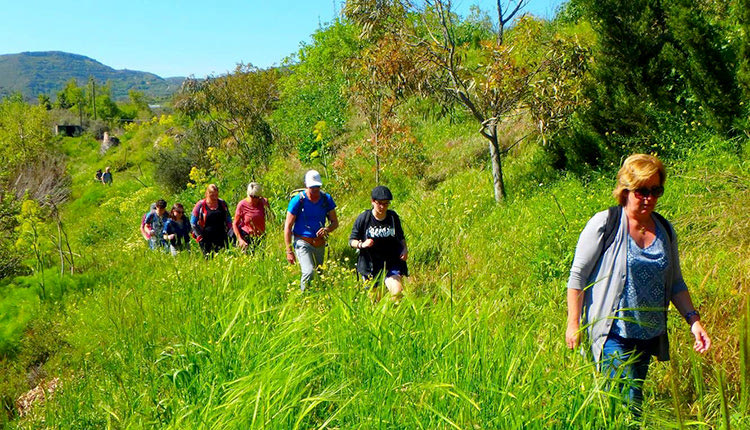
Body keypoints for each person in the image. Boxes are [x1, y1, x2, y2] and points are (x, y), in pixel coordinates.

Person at [566, 154, 710, 416]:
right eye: (642, 191)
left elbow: (676, 282)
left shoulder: (664, 230)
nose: (649, 198)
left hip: (647, 335)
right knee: (629, 401)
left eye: (656, 191)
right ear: (625, 191)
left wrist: (694, 321)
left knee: (628, 400)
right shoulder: (605, 223)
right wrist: (573, 324)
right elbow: (577, 277)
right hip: (613, 331)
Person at [349, 185, 408, 299]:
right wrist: (362, 244)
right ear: (372, 201)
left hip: (391, 262)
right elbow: (351, 241)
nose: (382, 206)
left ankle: (396, 315)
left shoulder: (392, 217)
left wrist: (404, 249)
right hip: (370, 266)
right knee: (376, 300)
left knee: (397, 292)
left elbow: (400, 236)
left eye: (386, 203)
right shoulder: (364, 218)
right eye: (379, 203)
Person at [284, 170, 339, 291]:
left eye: (317, 187)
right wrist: (289, 251)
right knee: (309, 272)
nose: (314, 190)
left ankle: (318, 297)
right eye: (312, 187)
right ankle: (303, 297)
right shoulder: (298, 201)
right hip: (302, 241)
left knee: (319, 274)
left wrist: (326, 229)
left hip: (319, 242)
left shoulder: (326, 199)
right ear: (306, 185)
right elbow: (288, 226)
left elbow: (335, 223)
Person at [191, 184, 232, 255]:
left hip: (221, 237)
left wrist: (230, 232)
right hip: (206, 238)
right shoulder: (200, 205)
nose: (214, 197)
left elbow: (228, 219)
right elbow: (193, 223)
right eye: (212, 195)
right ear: (207, 194)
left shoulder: (222, 203)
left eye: (216, 195)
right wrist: (199, 236)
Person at [233, 182, 271, 253]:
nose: (254, 199)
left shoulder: (262, 203)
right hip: (247, 237)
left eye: (256, 197)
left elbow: (271, 219)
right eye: (252, 196)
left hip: (260, 237)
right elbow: (235, 223)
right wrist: (240, 239)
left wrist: (266, 206)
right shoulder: (242, 205)